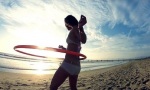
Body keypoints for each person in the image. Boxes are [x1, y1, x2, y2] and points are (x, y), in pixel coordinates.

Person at [50, 15, 87, 90]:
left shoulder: (75, 29)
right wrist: (64, 49)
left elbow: (83, 40)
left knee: (53, 87)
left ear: (68, 22)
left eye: (65, 23)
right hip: (76, 66)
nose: (65, 26)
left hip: (68, 64)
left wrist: (80, 26)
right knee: (73, 88)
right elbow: (75, 48)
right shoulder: (76, 29)